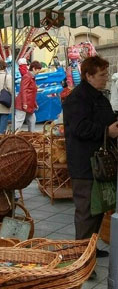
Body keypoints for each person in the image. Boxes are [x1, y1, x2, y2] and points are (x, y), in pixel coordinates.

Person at [63, 56, 118, 257]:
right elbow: (79, 128)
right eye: (102, 75)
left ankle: (90, 249)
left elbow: (106, 118)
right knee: (86, 212)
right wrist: (106, 131)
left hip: (99, 163)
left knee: (98, 209)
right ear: (89, 76)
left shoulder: (98, 96)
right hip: (84, 164)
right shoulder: (77, 98)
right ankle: (81, 257)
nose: (106, 78)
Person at [15, 60, 42, 132]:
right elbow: (23, 90)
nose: (38, 72)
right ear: (34, 68)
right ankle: (12, 136)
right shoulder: (27, 77)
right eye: (38, 70)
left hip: (28, 103)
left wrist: (35, 104)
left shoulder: (30, 77)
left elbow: (32, 92)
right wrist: (24, 103)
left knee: (32, 120)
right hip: (24, 104)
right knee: (19, 121)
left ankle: (31, 135)